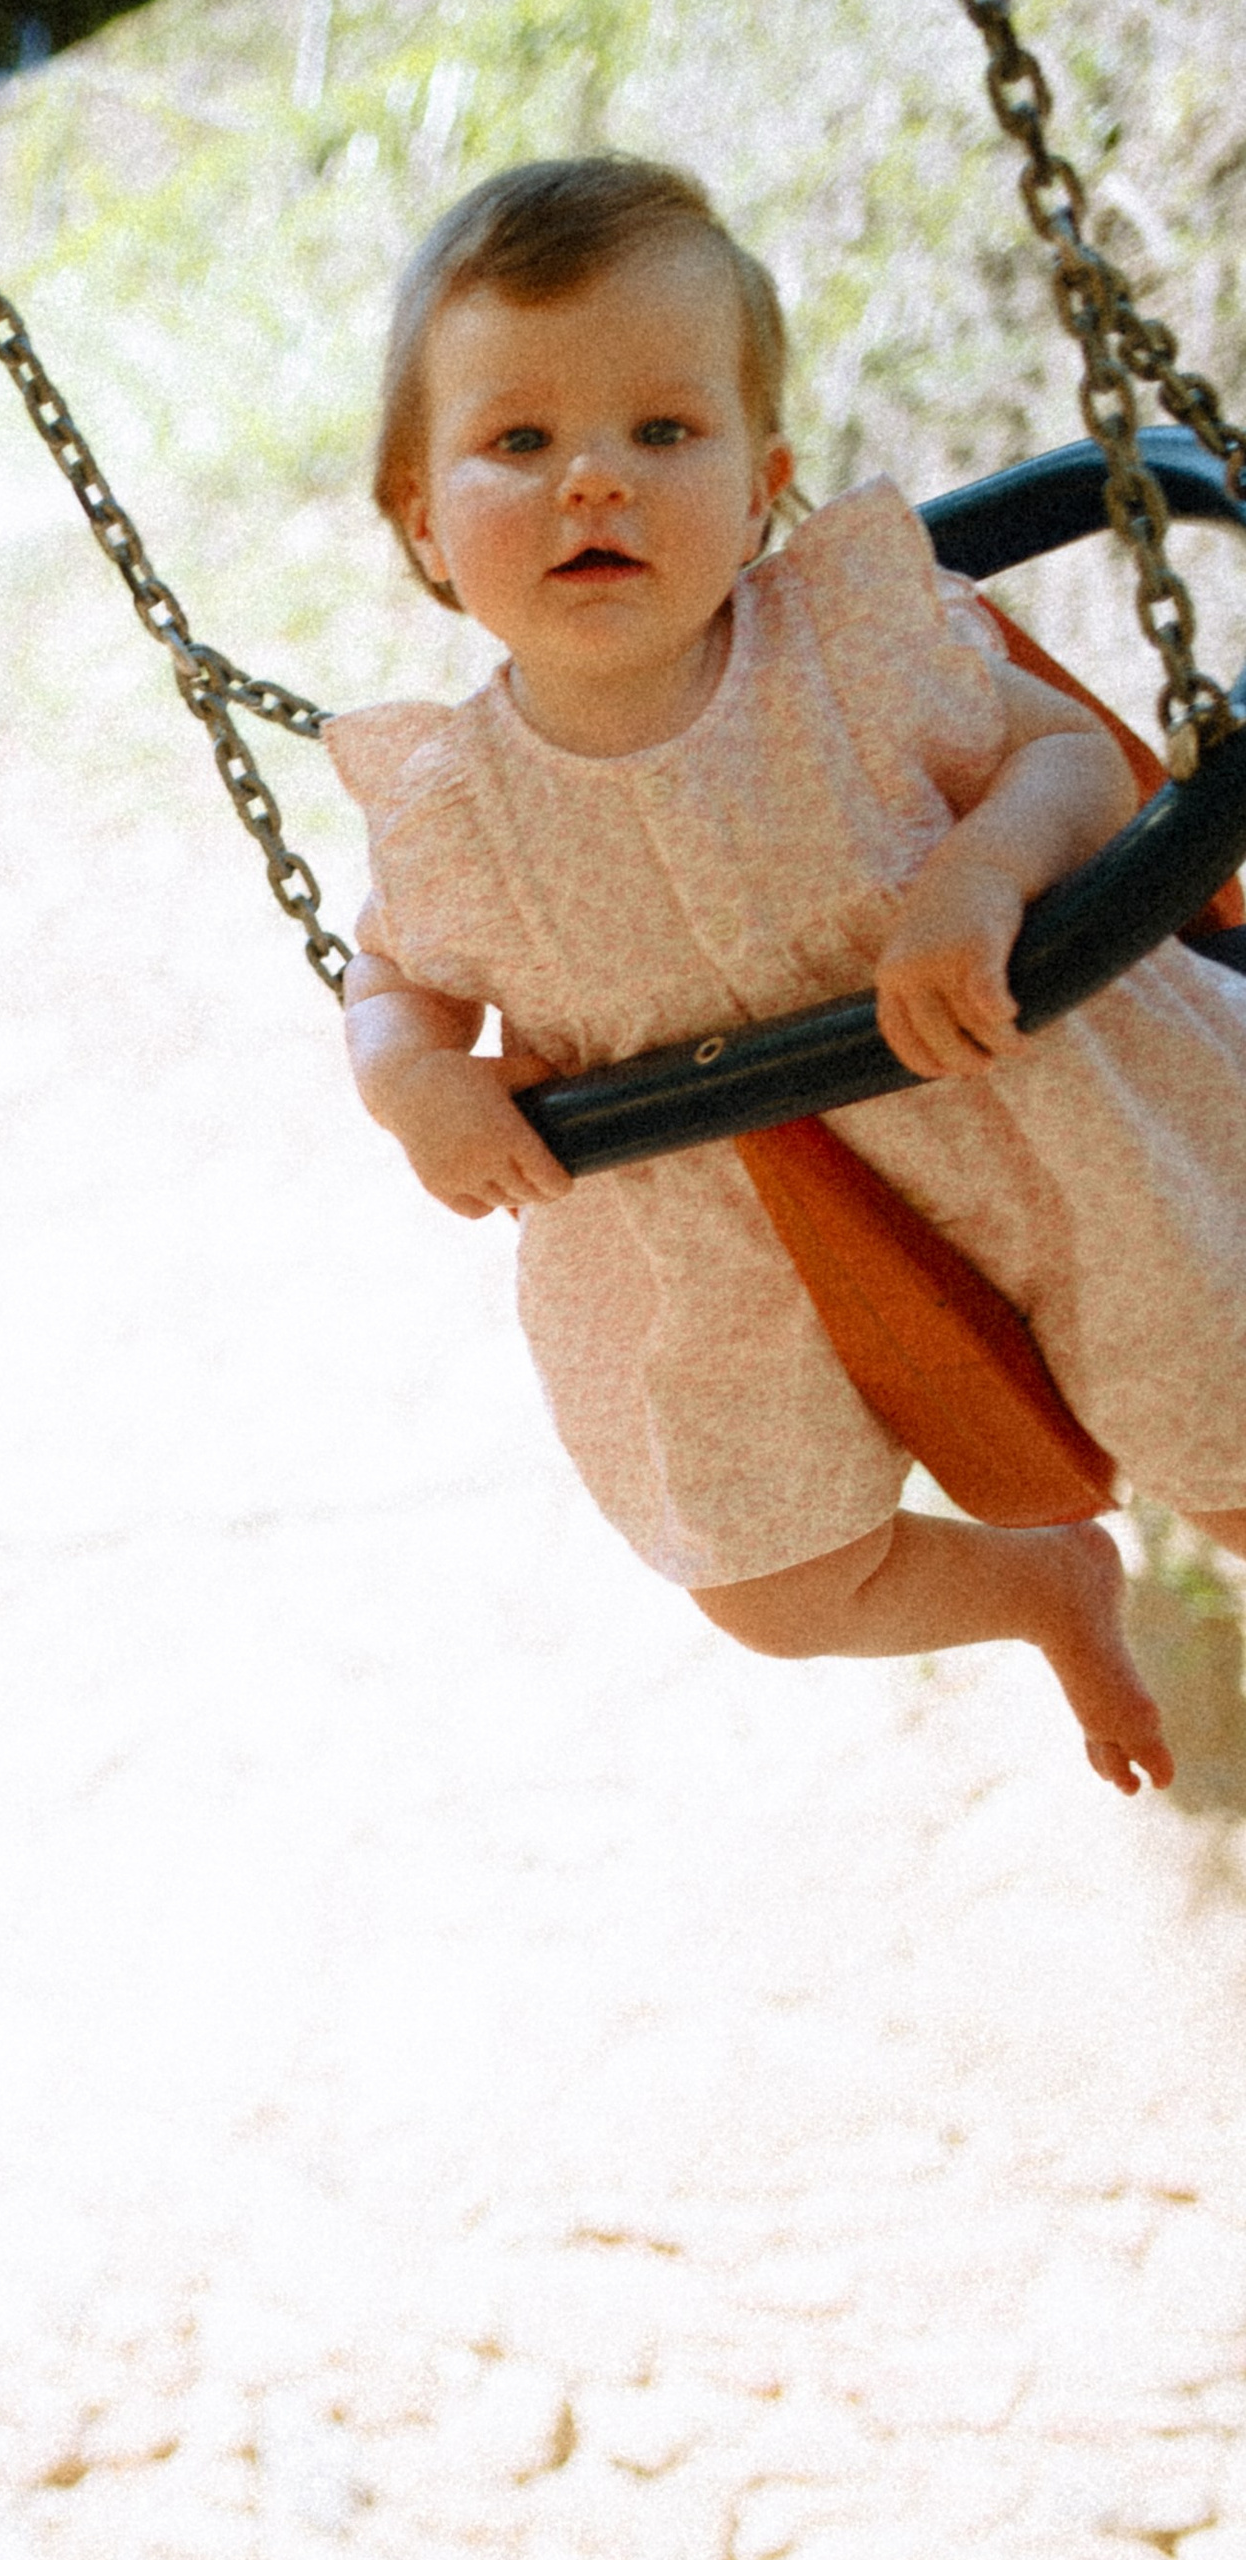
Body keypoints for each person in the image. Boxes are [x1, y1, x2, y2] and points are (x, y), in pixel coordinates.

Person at [328, 155, 1246, 1793]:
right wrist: (415, 1087)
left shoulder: (855, 642)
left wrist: (978, 874)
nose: (591, 482)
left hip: (1062, 1131)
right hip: (730, 1243)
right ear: (423, 522)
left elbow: (1071, 766)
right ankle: (1044, 1591)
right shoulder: (451, 814)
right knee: (767, 1582)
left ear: (764, 486)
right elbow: (389, 978)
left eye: (661, 432)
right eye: (519, 442)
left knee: (1239, 1460)